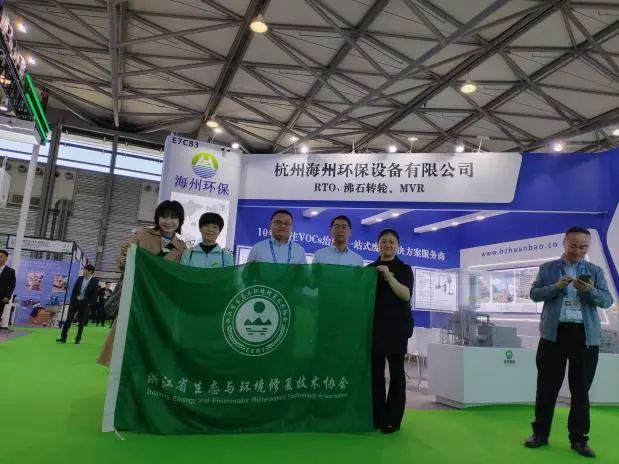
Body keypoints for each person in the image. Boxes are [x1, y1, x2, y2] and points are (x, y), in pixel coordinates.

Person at [525, 227, 613, 458]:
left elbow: (607, 301)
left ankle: (579, 439)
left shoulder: (595, 271)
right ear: (564, 243)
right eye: (573, 246)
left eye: (583, 247)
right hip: (553, 335)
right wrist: (557, 287)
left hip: (585, 336)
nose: (578, 251)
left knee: (581, 390)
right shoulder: (547, 269)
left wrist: (590, 291)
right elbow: (534, 294)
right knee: (547, 388)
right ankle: (540, 434)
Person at [97, 200, 187, 366]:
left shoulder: (181, 247)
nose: (168, 221)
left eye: (173, 217)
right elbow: (122, 262)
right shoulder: (142, 235)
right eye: (164, 216)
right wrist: (125, 258)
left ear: (180, 220)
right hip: (137, 296)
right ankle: (119, 372)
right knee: (127, 338)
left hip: (161, 301)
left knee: (155, 340)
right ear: (157, 218)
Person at [367, 229, 414, 434]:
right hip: (374, 329)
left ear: (398, 245)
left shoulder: (404, 269)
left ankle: (393, 420)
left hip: (397, 328)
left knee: (396, 375)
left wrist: (388, 277)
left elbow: (405, 295)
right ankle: (378, 417)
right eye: (384, 241)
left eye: (392, 242)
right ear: (378, 245)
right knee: (375, 375)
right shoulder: (369, 270)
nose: (387, 245)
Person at [56, 264, 99, 344]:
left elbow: (94, 294)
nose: (84, 271)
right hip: (75, 302)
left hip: (85, 303)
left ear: (90, 272)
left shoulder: (95, 281)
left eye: (85, 270)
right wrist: (73, 300)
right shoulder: (80, 278)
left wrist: (89, 304)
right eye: (84, 270)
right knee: (68, 319)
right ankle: (63, 337)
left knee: (81, 322)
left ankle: (78, 339)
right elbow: (74, 290)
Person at [0, 250, 16, 328]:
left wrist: (7, 296)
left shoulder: (10, 271)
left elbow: (12, 285)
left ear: (6, 258)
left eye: (1, 257)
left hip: (2, 297)